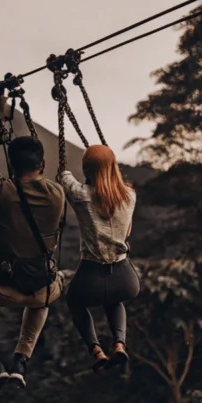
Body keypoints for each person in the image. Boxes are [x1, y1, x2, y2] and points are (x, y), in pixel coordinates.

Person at [0, 96, 66, 400]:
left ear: (10, 166)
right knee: (44, 294)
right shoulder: (57, 193)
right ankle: (22, 360)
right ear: (42, 165)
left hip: (4, 287)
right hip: (42, 286)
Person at [59, 145, 140, 372]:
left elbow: (63, 176)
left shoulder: (79, 194)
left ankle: (96, 351)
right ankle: (119, 344)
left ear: (87, 169)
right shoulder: (130, 195)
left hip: (91, 277)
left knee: (74, 301)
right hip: (125, 280)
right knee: (114, 299)